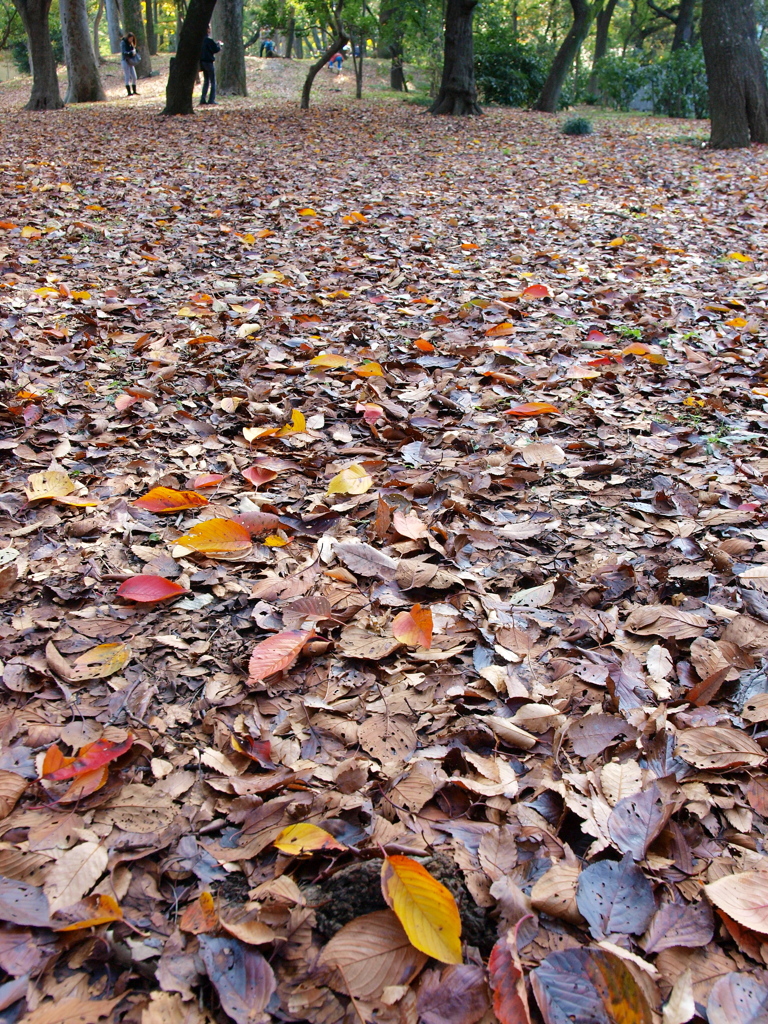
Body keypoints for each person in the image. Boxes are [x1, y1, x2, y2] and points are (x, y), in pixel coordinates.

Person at [200, 26, 222, 105]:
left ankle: (202, 99)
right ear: (207, 30)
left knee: (206, 81)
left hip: (202, 63)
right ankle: (211, 99)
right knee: (213, 81)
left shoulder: (201, 41)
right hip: (209, 62)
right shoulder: (209, 40)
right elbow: (215, 49)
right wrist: (219, 46)